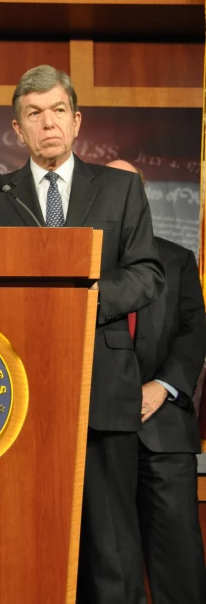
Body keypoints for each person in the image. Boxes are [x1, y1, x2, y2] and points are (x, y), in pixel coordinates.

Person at [0, 64, 164, 604]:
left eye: (57, 111)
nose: (47, 123)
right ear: (17, 129)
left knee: (113, 552)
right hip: (16, 397)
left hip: (102, 389)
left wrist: (79, 301)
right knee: (26, 546)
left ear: (77, 122)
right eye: (34, 114)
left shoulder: (121, 189)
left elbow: (148, 273)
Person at [107, 158, 206, 604]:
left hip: (164, 433)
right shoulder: (83, 266)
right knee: (108, 562)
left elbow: (194, 334)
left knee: (179, 565)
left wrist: (162, 387)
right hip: (98, 436)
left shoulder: (178, 259)